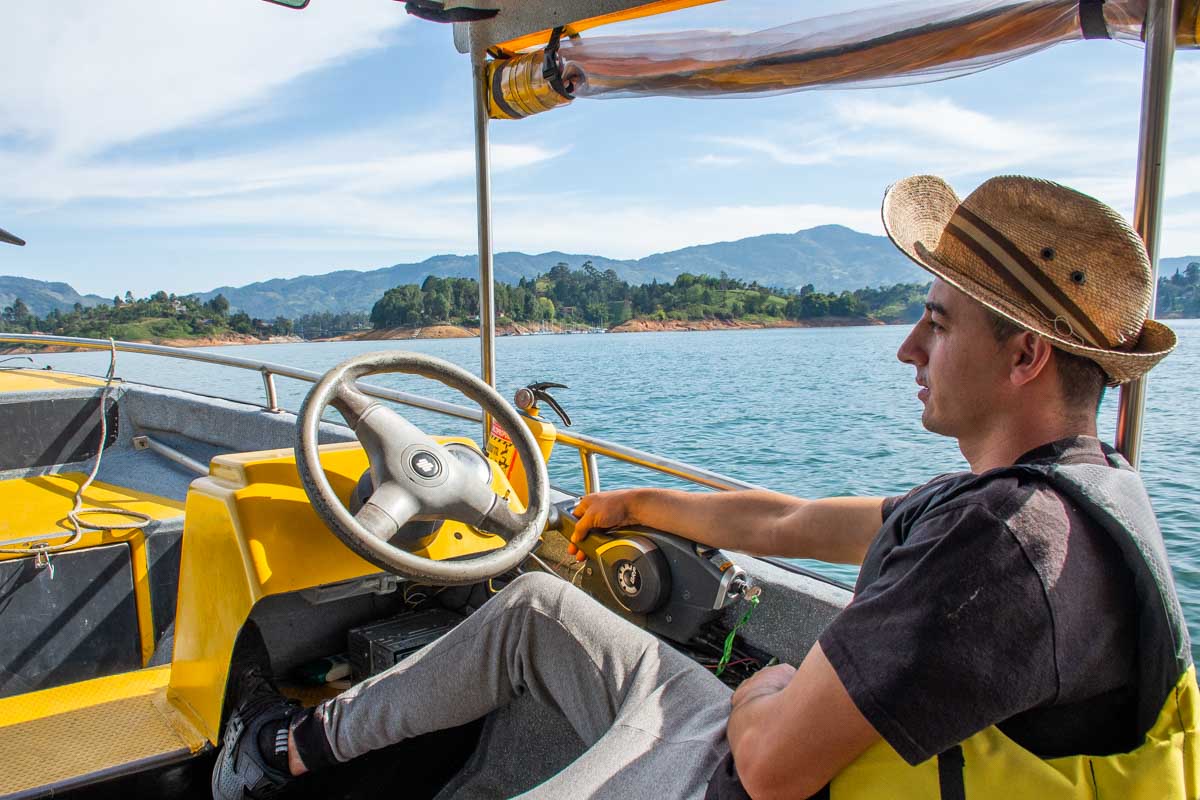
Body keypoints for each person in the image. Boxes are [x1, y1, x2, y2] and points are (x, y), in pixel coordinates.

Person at [212, 175, 1194, 800]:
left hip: (754, 773)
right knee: (539, 609)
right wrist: (630, 505)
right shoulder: (1055, 495)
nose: (906, 345)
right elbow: (791, 518)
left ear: (1025, 354)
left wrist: (765, 685)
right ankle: (286, 750)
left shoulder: (1005, 548)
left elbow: (770, 768)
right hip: (770, 744)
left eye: (938, 323)